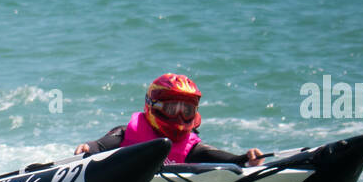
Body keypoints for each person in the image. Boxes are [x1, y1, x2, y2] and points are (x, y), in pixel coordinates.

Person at [74, 74, 265, 166]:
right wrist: (87, 148)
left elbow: (223, 158)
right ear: (153, 106)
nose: (180, 117)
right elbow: (97, 147)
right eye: (172, 108)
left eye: (187, 110)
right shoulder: (127, 133)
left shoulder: (190, 146)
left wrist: (246, 159)